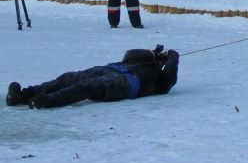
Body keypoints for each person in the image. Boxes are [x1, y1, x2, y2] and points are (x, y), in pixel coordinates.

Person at [6, 46, 179, 109]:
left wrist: (172, 57)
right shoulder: (138, 61)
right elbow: (130, 54)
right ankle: (22, 96)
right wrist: (153, 53)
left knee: (87, 86)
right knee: (69, 78)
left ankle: (47, 101)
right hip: (110, 69)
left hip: (124, 83)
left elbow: (169, 80)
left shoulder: (158, 78)